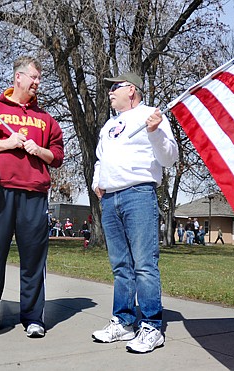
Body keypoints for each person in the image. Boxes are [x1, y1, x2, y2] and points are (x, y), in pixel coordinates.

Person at [0, 56, 64, 339]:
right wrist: (6, 143)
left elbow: (56, 157)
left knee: (33, 259)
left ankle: (33, 317)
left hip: (34, 196)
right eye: (33, 77)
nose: (37, 83)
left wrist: (39, 150)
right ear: (17, 77)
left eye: (40, 79)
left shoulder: (46, 121)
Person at [91, 72, 178, 353]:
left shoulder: (151, 115)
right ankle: (124, 321)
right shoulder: (109, 125)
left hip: (139, 195)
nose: (109, 92)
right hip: (110, 198)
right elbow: (100, 158)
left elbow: (169, 157)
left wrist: (153, 132)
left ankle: (152, 326)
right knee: (121, 267)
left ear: (132, 90)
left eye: (115, 87)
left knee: (144, 265)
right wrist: (97, 181)